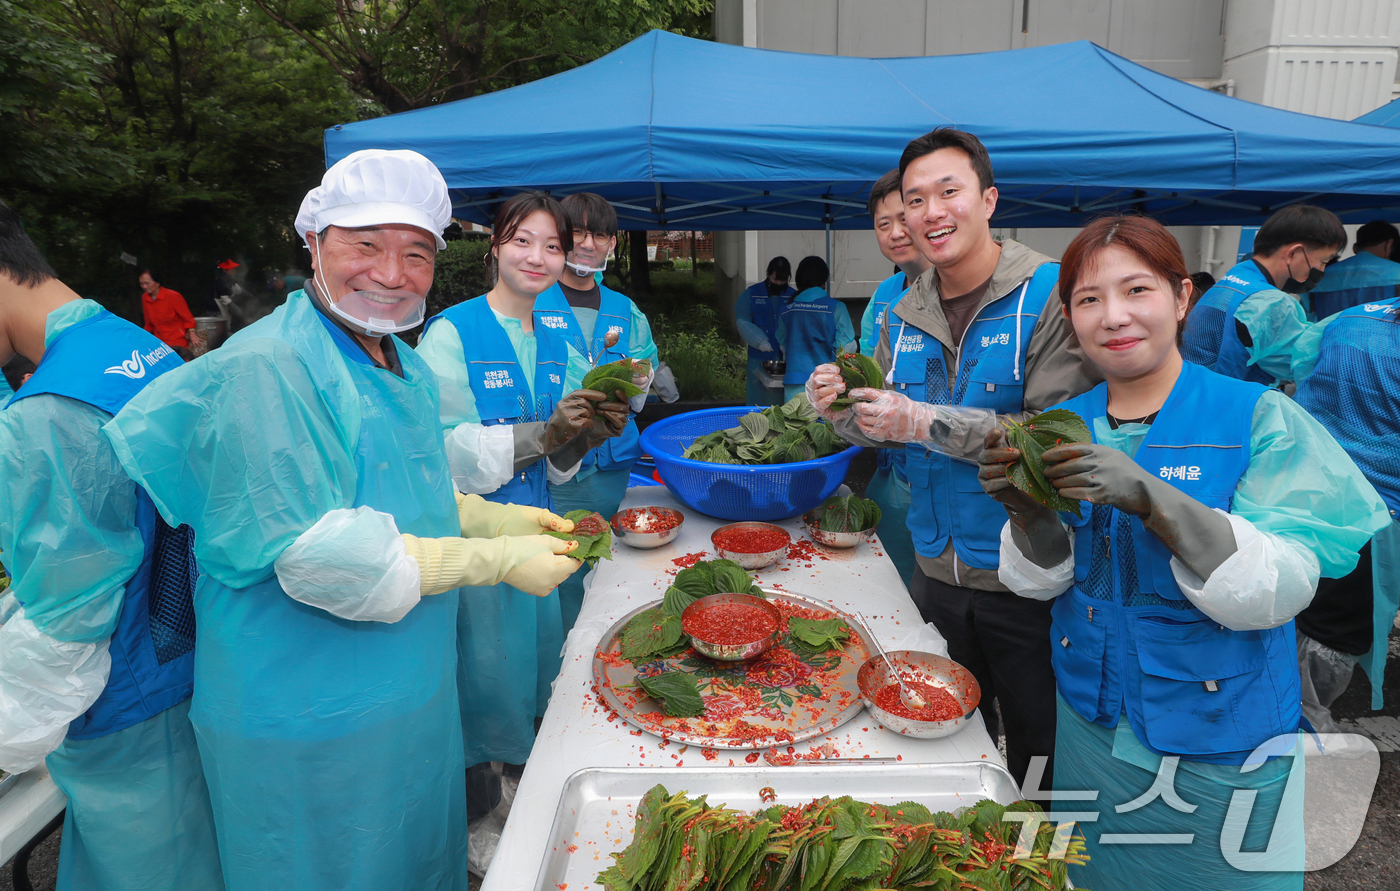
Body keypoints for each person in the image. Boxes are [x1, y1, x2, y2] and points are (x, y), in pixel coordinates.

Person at [104, 150, 585, 890]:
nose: (392, 273)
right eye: (365, 245)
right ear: (314, 243)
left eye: (416, 253)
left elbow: (408, 490)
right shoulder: (270, 366)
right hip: (308, 713)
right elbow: (323, 555)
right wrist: (491, 560)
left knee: (417, 862)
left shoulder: (399, 361)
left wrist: (490, 520)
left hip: (410, 693)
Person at [977, 214, 1388, 891]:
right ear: (1070, 318)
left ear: (1180, 297)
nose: (1114, 315)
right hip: (1088, 727)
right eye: (1088, 299)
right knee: (1091, 874)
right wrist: (1028, 513)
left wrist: (1155, 499)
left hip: (1221, 742)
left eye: (1136, 289)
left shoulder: (1257, 416)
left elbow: (1278, 586)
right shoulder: (1061, 427)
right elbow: (1043, 580)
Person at [805, 128, 1099, 793]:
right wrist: (841, 408)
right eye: (916, 200)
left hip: (1027, 577)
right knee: (948, 738)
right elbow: (883, 429)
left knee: (1039, 747)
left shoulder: (1051, 294)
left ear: (988, 199)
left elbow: (1054, 439)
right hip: (935, 570)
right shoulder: (902, 311)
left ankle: (1035, 844)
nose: (931, 212)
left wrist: (924, 420)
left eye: (948, 191)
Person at [0, 200, 223, 890]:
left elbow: (69, 613)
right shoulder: (137, 345)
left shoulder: (50, 409)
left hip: (126, 696)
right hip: (192, 656)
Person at [416, 191, 629, 768]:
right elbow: (439, 454)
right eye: (522, 241)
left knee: (537, 660)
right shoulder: (452, 333)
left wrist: (585, 436)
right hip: (475, 537)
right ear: (494, 246)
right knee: (486, 669)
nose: (537, 257)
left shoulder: (559, 341)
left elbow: (557, 463)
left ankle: (528, 770)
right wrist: (541, 434)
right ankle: (485, 783)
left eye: (552, 246)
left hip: (541, 526)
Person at [536, 193, 658, 631]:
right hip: (559, 463)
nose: (589, 244)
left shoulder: (625, 310)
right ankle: (568, 651)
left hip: (616, 463)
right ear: (560, 238)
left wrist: (639, 379)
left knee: (619, 565)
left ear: (612, 243)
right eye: (579, 233)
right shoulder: (533, 302)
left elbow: (645, 368)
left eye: (600, 235)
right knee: (567, 564)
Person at [1292, 292, 1400, 733]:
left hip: (1308, 484)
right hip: (1379, 510)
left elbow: (1301, 364)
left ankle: (1284, 704)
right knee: (1338, 625)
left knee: (1296, 597)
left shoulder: (1351, 318)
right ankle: (1304, 719)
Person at [859, 169, 931, 587]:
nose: (896, 233)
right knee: (890, 582)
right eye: (883, 224)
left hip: (943, 465)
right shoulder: (884, 296)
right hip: (892, 467)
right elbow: (868, 369)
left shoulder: (957, 291)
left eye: (904, 218)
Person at [1182, 205, 1345, 385]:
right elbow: (1302, 363)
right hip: (1222, 395)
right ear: (1293, 253)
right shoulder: (1271, 303)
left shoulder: (1234, 278)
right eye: (1323, 261)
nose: (1322, 270)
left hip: (1189, 386)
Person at [776, 255, 854, 402]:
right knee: (823, 418)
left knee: (794, 417)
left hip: (794, 382)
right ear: (825, 279)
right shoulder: (836, 308)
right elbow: (846, 348)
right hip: (826, 384)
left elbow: (782, 341)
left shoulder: (787, 308)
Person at [1307, 220, 1400, 319]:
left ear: (1355, 247)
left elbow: (1308, 314)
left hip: (1330, 328)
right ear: (1388, 244)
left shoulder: (1322, 275)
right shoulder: (1396, 272)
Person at [735, 256, 795, 405]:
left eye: (783, 280)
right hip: (758, 358)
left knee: (783, 403)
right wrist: (759, 341)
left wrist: (787, 345)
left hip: (786, 360)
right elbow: (743, 321)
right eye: (775, 279)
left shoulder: (793, 297)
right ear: (768, 273)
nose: (778, 284)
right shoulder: (751, 294)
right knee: (758, 400)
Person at [137, 267, 197, 349]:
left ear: (157, 282)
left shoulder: (173, 296)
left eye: (147, 283)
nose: (144, 286)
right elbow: (148, 323)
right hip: (159, 341)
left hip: (178, 340)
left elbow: (188, 319)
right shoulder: (145, 297)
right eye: (141, 284)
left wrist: (192, 334)